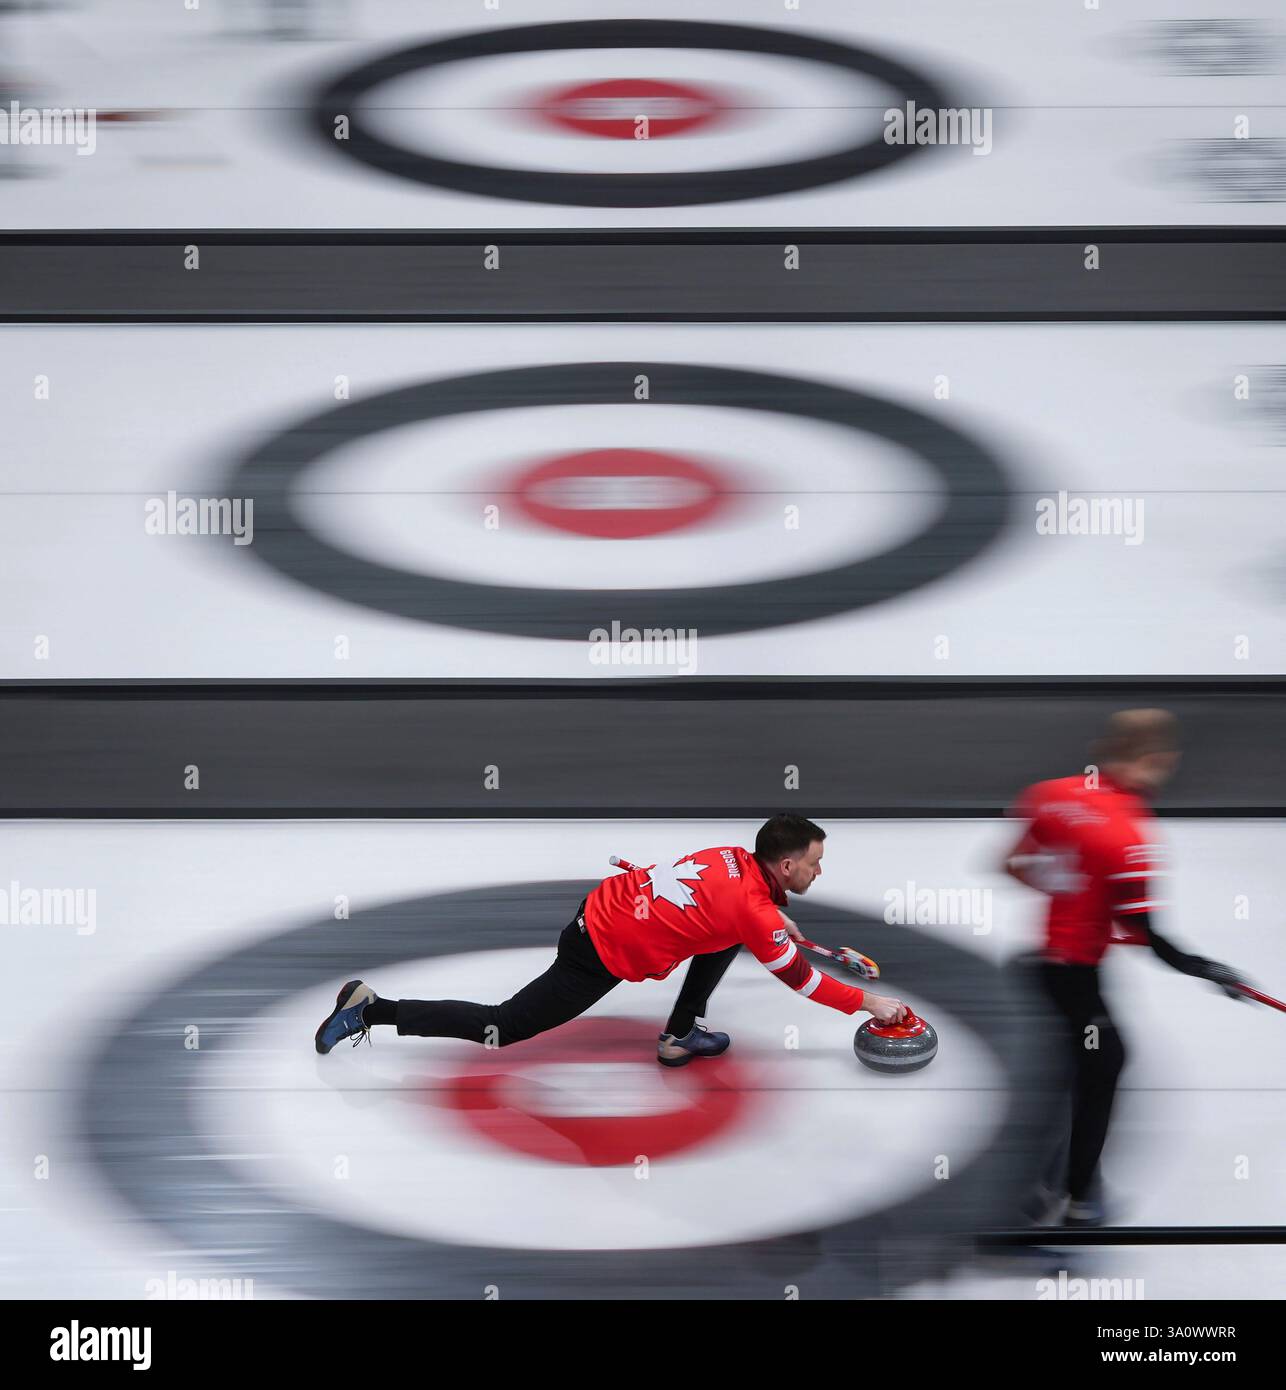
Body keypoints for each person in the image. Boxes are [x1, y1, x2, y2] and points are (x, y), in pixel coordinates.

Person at [316, 813, 907, 1064]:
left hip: (599, 907)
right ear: (782, 867)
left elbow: (727, 912)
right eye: (813, 864)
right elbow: (803, 982)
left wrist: (774, 920)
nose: (818, 872)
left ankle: (678, 1036)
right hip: (596, 952)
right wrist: (873, 1003)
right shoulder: (754, 912)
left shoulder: (732, 858)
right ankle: (375, 1007)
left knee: (722, 938)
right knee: (504, 1027)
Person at [1003, 708, 1243, 1226]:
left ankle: (1051, 1186)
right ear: (1158, 759)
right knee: (1104, 1063)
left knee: (1084, 1067)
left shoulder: (1051, 795)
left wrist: (1072, 898)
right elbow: (1152, 940)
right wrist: (1213, 971)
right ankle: (1079, 1198)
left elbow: (1013, 865)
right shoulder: (1130, 834)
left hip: (1043, 963)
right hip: (1075, 970)